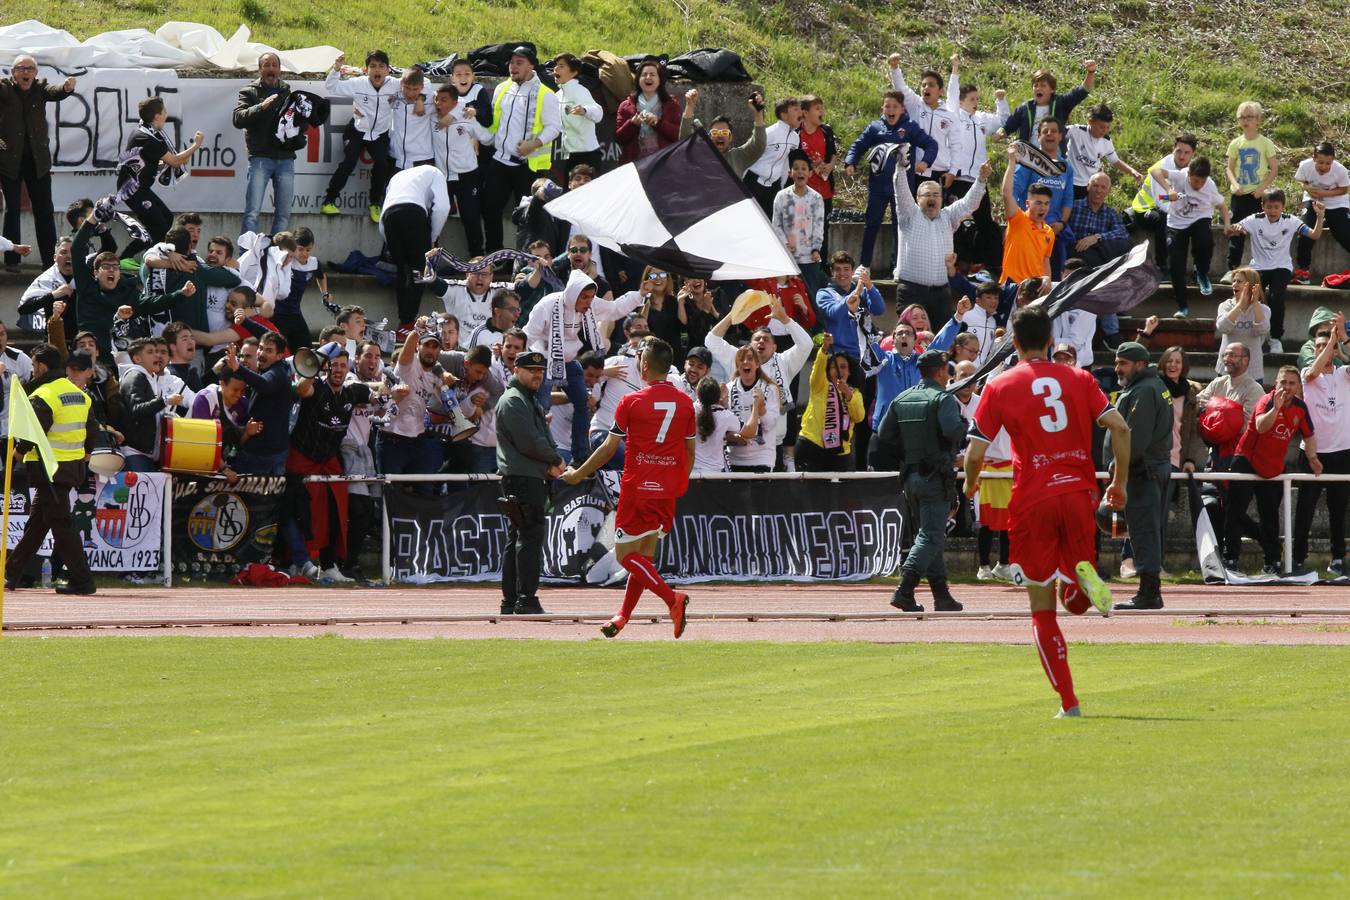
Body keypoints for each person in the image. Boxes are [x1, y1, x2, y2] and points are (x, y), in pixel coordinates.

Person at [964, 306, 1132, 718]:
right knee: (1073, 592)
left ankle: (1069, 703)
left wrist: (970, 485)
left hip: (1033, 497)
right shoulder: (1080, 377)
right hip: (1078, 493)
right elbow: (1121, 427)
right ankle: (1080, 581)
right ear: (1049, 337)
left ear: (1015, 343)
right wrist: (1119, 483)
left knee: (1041, 609)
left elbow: (975, 451)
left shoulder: (1001, 385)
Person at [563, 337, 696, 639]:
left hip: (638, 489)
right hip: (666, 491)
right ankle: (624, 615)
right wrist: (678, 483)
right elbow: (689, 453)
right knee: (644, 559)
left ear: (644, 366)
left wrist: (579, 473)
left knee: (626, 557)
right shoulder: (686, 403)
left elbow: (609, 448)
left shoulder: (631, 402)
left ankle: (671, 599)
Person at [522, 270, 646, 461]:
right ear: (573, 295)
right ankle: (540, 455)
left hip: (569, 361)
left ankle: (579, 455)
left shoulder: (590, 304)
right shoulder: (546, 305)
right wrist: (521, 361)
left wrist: (640, 294)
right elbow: (528, 336)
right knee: (542, 407)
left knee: (582, 403)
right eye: (584, 297)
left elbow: (614, 309)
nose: (589, 302)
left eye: (591, 297)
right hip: (544, 361)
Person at [3, 346, 98, 595]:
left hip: (48, 468)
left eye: (34, 365)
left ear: (42, 366)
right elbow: (93, 429)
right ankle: (10, 574)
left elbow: (36, 430)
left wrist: (18, 453)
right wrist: (85, 455)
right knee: (37, 525)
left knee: (61, 524)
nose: (32, 369)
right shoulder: (80, 394)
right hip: (70, 468)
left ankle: (83, 580)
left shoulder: (43, 394)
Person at [288, 347, 387, 583]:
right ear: (326, 366)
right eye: (334, 365)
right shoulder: (316, 387)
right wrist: (313, 364)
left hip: (329, 459)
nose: (338, 370)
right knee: (302, 513)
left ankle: (330, 564)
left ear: (348, 368)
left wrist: (388, 392)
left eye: (343, 365)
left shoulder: (353, 392)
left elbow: (380, 401)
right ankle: (293, 563)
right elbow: (301, 389)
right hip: (302, 457)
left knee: (337, 510)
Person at [876, 349, 965, 611]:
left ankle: (941, 595)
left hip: (911, 476)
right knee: (930, 535)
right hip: (935, 477)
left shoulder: (902, 398)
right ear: (940, 371)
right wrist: (962, 426)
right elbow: (952, 430)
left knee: (928, 534)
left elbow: (884, 433)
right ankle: (904, 589)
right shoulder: (943, 399)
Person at [1224, 366, 1319, 575]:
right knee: (1236, 512)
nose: (1286, 387)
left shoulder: (1301, 408)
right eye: (1283, 382)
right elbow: (1260, 426)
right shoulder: (1266, 400)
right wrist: (1275, 410)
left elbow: (1309, 435)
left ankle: (1272, 562)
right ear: (1275, 383)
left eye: (1292, 383)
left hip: (1273, 467)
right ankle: (1230, 559)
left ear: (1298, 386)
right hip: (1246, 461)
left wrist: (1313, 458)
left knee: (1270, 516)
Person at [495, 350, 565, 616]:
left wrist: (551, 462)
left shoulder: (524, 399)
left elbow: (538, 438)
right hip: (523, 478)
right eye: (531, 370)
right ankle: (525, 599)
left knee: (519, 537)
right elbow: (530, 442)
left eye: (541, 371)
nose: (538, 374)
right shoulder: (514, 400)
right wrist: (556, 460)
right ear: (516, 371)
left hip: (527, 475)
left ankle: (512, 601)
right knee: (529, 537)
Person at [1108, 342, 1173, 611]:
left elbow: (1134, 440)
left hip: (1142, 471)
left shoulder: (1145, 391)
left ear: (1139, 364)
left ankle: (1149, 592)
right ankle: (1149, 590)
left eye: (1123, 363)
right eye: (1116, 362)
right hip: (1149, 469)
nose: (1117, 368)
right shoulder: (1148, 386)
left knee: (1145, 531)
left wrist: (1117, 472)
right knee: (1146, 530)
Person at [843, 90, 939, 267]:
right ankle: (864, 266)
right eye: (888, 106)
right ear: (883, 108)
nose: (891, 109)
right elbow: (858, 145)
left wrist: (925, 162)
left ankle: (899, 266)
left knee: (901, 227)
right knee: (871, 224)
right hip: (878, 187)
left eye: (895, 106)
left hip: (902, 188)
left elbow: (931, 144)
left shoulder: (910, 127)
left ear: (902, 109)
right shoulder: (875, 127)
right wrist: (851, 162)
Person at [481, 46, 560, 256]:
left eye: (519, 62)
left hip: (527, 166)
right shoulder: (501, 89)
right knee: (490, 208)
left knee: (527, 216)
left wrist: (533, 144)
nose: (513, 67)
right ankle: (494, 255)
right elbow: (494, 125)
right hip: (500, 160)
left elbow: (554, 128)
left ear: (531, 66)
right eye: (511, 62)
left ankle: (524, 258)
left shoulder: (545, 94)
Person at [891, 159, 990, 324]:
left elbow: (969, 204)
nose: (932, 198)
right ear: (917, 199)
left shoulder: (948, 216)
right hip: (912, 292)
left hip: (942, 294)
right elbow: (901, 192)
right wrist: (900, 167)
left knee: (942, 343)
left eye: (936, 195)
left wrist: (980, 180)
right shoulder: (909, 214)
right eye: (927, 195)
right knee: (910, 340)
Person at [1223, 189, 1324, 352]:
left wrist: (1319, 217)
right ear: (1263, 206)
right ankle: (1256, 334)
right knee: (1251, 298)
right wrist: (1232, 227)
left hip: (1281, 267)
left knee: (1276, 297)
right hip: (1258, 268)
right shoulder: (1254, 220)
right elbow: (1232, 230)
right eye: (1269, 207)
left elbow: (1314, 235)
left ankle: (1275, 338)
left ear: (1283, 207)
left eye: (1276, 207)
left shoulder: (1290, 220)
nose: (1273, 211)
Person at [0, 55, 76, 269]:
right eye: (21, 69)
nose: (26, 73)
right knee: (12, 211)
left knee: (44, 211)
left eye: (30, 69)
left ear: (35, 73)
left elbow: (55, 92)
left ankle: (48, 261)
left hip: (38, 162)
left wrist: (67, 87)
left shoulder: (41, 89)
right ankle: (12, 261)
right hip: (9, 163)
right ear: (13, 72)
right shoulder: (5, 89)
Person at [1294, 321, 1350, 576]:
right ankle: (1297, 559)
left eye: (1326, 346)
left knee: (1339, 511)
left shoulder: (1344, 374)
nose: (1322, 350)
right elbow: (1315, 370)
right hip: (1312, 453)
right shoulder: (1308, 374)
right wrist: (1332, 343)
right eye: (1317, 346)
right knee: (1304, 511)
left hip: (1342, 453)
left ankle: (1338, 558)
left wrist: (1344, 341)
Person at [117, 97, 205, 259]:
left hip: (140, 188)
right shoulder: (148, 137)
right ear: (157, 116)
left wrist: (173, 161)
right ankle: (132, 259)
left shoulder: (146, 132)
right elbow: (175, 160)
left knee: (166, 219)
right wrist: (196, 145)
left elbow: (166, 161)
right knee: (158, 227)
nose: (166, 115)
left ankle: (143, 257)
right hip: (132, 190)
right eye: (164, 111)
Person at [945, 55, 1009, 275]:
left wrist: (1001, 100)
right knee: (955, 222)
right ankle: (955, 262)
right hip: (958, 177)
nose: (976, 102)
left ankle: (988, 264)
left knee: (986, 223)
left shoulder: (981, 118)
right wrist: (955, 69)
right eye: (972, 99)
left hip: (978, 179)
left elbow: (1003, 120)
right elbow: (951, 93)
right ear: (961, 101)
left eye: (977, 99)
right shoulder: (953, 114)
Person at [321, 50, 397, 222]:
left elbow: (423, 83)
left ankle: (375, 204)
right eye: (373, 66)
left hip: (379, 133)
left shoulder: (395, 85)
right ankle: (329, 201)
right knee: (349, 161)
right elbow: (331, 87)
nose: (377, 70)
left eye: (381, 66)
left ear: (388, 70)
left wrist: (420, 98)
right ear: (366, 69)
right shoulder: (358, 83)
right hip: (357, 130)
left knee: (382, 164)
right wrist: (336, 69)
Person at [1150, 157, 1231, 316]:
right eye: (1195, 181)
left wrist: (1227, 224)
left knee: (1205, 241)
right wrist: (1169, 190)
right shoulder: (1180, 176)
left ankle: (1201, 272)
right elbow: (1155, 171)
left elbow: (1222, 206)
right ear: (1189, 175)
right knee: (1176, 265)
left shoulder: (1210, 186)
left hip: (1200, 218)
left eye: (1202, 181)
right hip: (1176, 223)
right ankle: (1182, 307)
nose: (1198, 185)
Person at [381, 166, 450, 333]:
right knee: (419, 271)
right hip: (414, 213)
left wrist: (388, 243)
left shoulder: (398, 176)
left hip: (389, 216)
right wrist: (433, 238)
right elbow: (442, 207)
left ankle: (404, 323)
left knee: (402, 270)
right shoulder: (435, 172)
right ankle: (407, 323)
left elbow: (383, 217)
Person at [233, 52, 295, 235]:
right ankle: (247, 257)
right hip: (260, 158)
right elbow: (237, 119)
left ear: (279, 69)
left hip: (286, 159)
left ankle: (276, 257)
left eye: (274, 65)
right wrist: (261, 107)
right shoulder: (249, 91)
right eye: (266, 65)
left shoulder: (287, 92)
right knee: (252, 212)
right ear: (260, 69)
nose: (271, 69)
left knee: (283, 214)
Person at [430, 82, 494, 257]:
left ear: (455, 102)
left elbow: (488, 139)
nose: (438, 104)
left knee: (471, 217)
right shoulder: (430, 116)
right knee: (436, 216)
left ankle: (477, 258)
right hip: (442, 176)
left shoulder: (467, 117)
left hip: (468, 175)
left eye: (444, 100)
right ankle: (431, 257)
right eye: (437, 100)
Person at [1011, 117, 1075, 278]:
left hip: (1053, 230)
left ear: (1061, 136)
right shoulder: (1028, 163)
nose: (1049, 134)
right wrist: (1025, 220)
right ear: (1038, 136)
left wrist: (1061, 223)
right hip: (1028, 229)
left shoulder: (1066, 168)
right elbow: (1014, 192)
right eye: (1045, 131)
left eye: (1053, 131)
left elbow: (1068, 200)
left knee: (1052, 276)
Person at [1224, 101, 1279, 280]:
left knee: (1260, 233)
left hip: (1257, 196)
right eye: (1242, 117)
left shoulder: (1265, 143)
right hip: (1239, 195)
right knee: (1236, 233)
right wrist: (1235, 185)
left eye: (1250, 117)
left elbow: (1274, 169)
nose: (1246, 121)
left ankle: (1262, 270)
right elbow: (1229, 169)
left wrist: (1262, 189)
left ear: (1258, 120)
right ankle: (1232, 269)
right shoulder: (1235, 144)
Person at [224, 332, 293, 475]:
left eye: (269, 351)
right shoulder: (271, 368)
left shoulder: (278, 372)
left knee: (250, 496)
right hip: (266, 450)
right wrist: (245, 321)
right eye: (261, 348)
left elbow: (265, 384)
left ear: (280, 356)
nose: (262, 353)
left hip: (264, 455)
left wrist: (238, 368)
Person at [795, 332, 866, 471]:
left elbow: (859, 417)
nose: (839, 370)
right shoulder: (820, 386)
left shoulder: (855, 393)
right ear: (828, 371)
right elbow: (817, 370)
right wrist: (824, 349)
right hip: (811, 446)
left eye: (843, 366)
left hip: (839, 453)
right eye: (834, 367)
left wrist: (847, 394)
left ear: (850, 372)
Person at [1128, 132, 1198, 266]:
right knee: (1164, 219)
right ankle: (1162, 265)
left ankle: (1198, 270)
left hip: (1172, 207)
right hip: (1145, 209)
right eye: (1178, 151)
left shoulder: (1193, 169)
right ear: (1173, 149)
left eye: (1186, 153)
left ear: (1193, 154)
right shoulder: (1160, 168)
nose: (1182, 156)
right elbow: (1162, 202)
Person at [885, 55, 954, 187]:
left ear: (940, 91)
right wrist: (894, 68)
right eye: (923, 85)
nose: (926, 88)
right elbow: (901, 88)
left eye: (931, 85)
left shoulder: (949, 114)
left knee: (937, 208)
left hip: (940, 172)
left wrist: (953, 170)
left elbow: (955, 144)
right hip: (915, 171)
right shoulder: (915, 103)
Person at [996, 61, 1096, 144]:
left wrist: (1090, 72)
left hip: (1054, 158)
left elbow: (1083, 90)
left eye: (1043, 85)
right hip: (1028, 156)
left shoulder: (1061, 102)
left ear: (1052, 89)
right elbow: (1008, 126)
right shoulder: (1024, 108)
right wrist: (1000, 133)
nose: (1038, 88)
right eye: (1035, 85)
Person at [1293, 142, 1350, 283]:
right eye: (1320, 163)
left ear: (1333, 160)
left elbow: (1344, 189)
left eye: (1328, 163)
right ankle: (1303, 271)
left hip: (1336, 202)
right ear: (1314, 158)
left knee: (1343, 232)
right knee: (1306, 230)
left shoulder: (1340, 170)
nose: (1324, 167)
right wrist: (1307, 188)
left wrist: (1324, 193)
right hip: (1312, 201)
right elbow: (1300, 181)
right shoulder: (1305, 166)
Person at [772, 152, 826, 298]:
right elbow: (776, 225)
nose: (800, 171)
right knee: (787, 297)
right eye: (796, 168)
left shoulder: (816, 198)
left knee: (811, 298)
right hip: (787, 258)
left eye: (804, 168)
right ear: (790, 173)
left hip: (809, 258)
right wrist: (785, 245)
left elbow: (819, 226)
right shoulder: (781, 196)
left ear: (810, 173)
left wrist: (816, 248)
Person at [679, 89, 767, 178]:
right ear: (709, 137)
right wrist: (689, 106)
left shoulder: (738, 157)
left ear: (730, 138)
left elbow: (758, 145)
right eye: (715, 132)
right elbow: (685, 141)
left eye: (725, 133)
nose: (720, 135)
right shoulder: (699, 156)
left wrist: (758, 113)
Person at [1001, 144, 1056, 284]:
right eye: (1038, 203)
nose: (1042, 208)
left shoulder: (1049, 232)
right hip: (1012, 286)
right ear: (1027, 204)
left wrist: (1048, 281)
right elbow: (1007, 194)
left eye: (1046, 203)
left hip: (1035, 289)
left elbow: (1045, 260)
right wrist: (1012, 161)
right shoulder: (1018, 219)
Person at [1064, 104, 1143, 199]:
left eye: (1107, 127)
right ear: (1090, 121)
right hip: (1069, 181)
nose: (1104, 131)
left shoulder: (1107, 141)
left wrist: (1132, 171)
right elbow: (1056, 133)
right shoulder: (1076, 131)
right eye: (1101, 127)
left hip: (1089, 186)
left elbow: (1115, 161)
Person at [615, 57, 682, 165]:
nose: (648, 77)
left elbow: (678, 135)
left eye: (652, 74)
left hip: (664, 163)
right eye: (644, 74)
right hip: (634, 165)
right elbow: (619, 139)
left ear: (660, 80)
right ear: (638, 79)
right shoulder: (625, 106)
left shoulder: (671, 104)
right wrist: (632, 124)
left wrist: (658, 123)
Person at [743, 96, 803, 214]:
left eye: (800, 109)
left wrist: (781, 185)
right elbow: (749, 154)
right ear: (784, 115)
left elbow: (786, 163)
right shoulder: (769, 133)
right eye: (796, 109)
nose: (801, 112)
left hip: (773, 186)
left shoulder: (795, 138)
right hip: (753, 182)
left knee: (770, 224)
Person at [796, 95, 838, 253]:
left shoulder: (826, 131)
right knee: (802, 227)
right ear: (805, 113)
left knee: (823, 229)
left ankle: (821, 265)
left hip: (824, 192)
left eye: (822, 108)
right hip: (802, 191)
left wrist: (830, 166)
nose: (822, 112)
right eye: (817, 109)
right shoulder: (796, 132)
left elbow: (833, 154)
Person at [551, 53, 604, 179]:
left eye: (561, 66)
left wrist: (585, 110)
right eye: (555, 66)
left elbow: (598, 113)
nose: (555, 69)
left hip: (588, 154)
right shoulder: (557, 95)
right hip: (571, 154)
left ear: (573, 72)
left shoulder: (580, 91)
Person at [692, 374, 758, 472]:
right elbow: (752, 432)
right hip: (715, 474)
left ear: (698, 394)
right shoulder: (725, 415)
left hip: (692, 472)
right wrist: (756, 405)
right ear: (718, 397)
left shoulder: (691, 409)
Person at [1215, 267, 1271, 379]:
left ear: (1251, 286)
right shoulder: (1225, 306)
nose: (1234, 284)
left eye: (1239, 282)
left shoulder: (1263, 309)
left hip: (1253, 372)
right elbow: (1222, 327)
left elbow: (1262, 330)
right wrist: (1240, 305)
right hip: (1226, 370)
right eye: (1234, 281)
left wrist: (1255, 304)